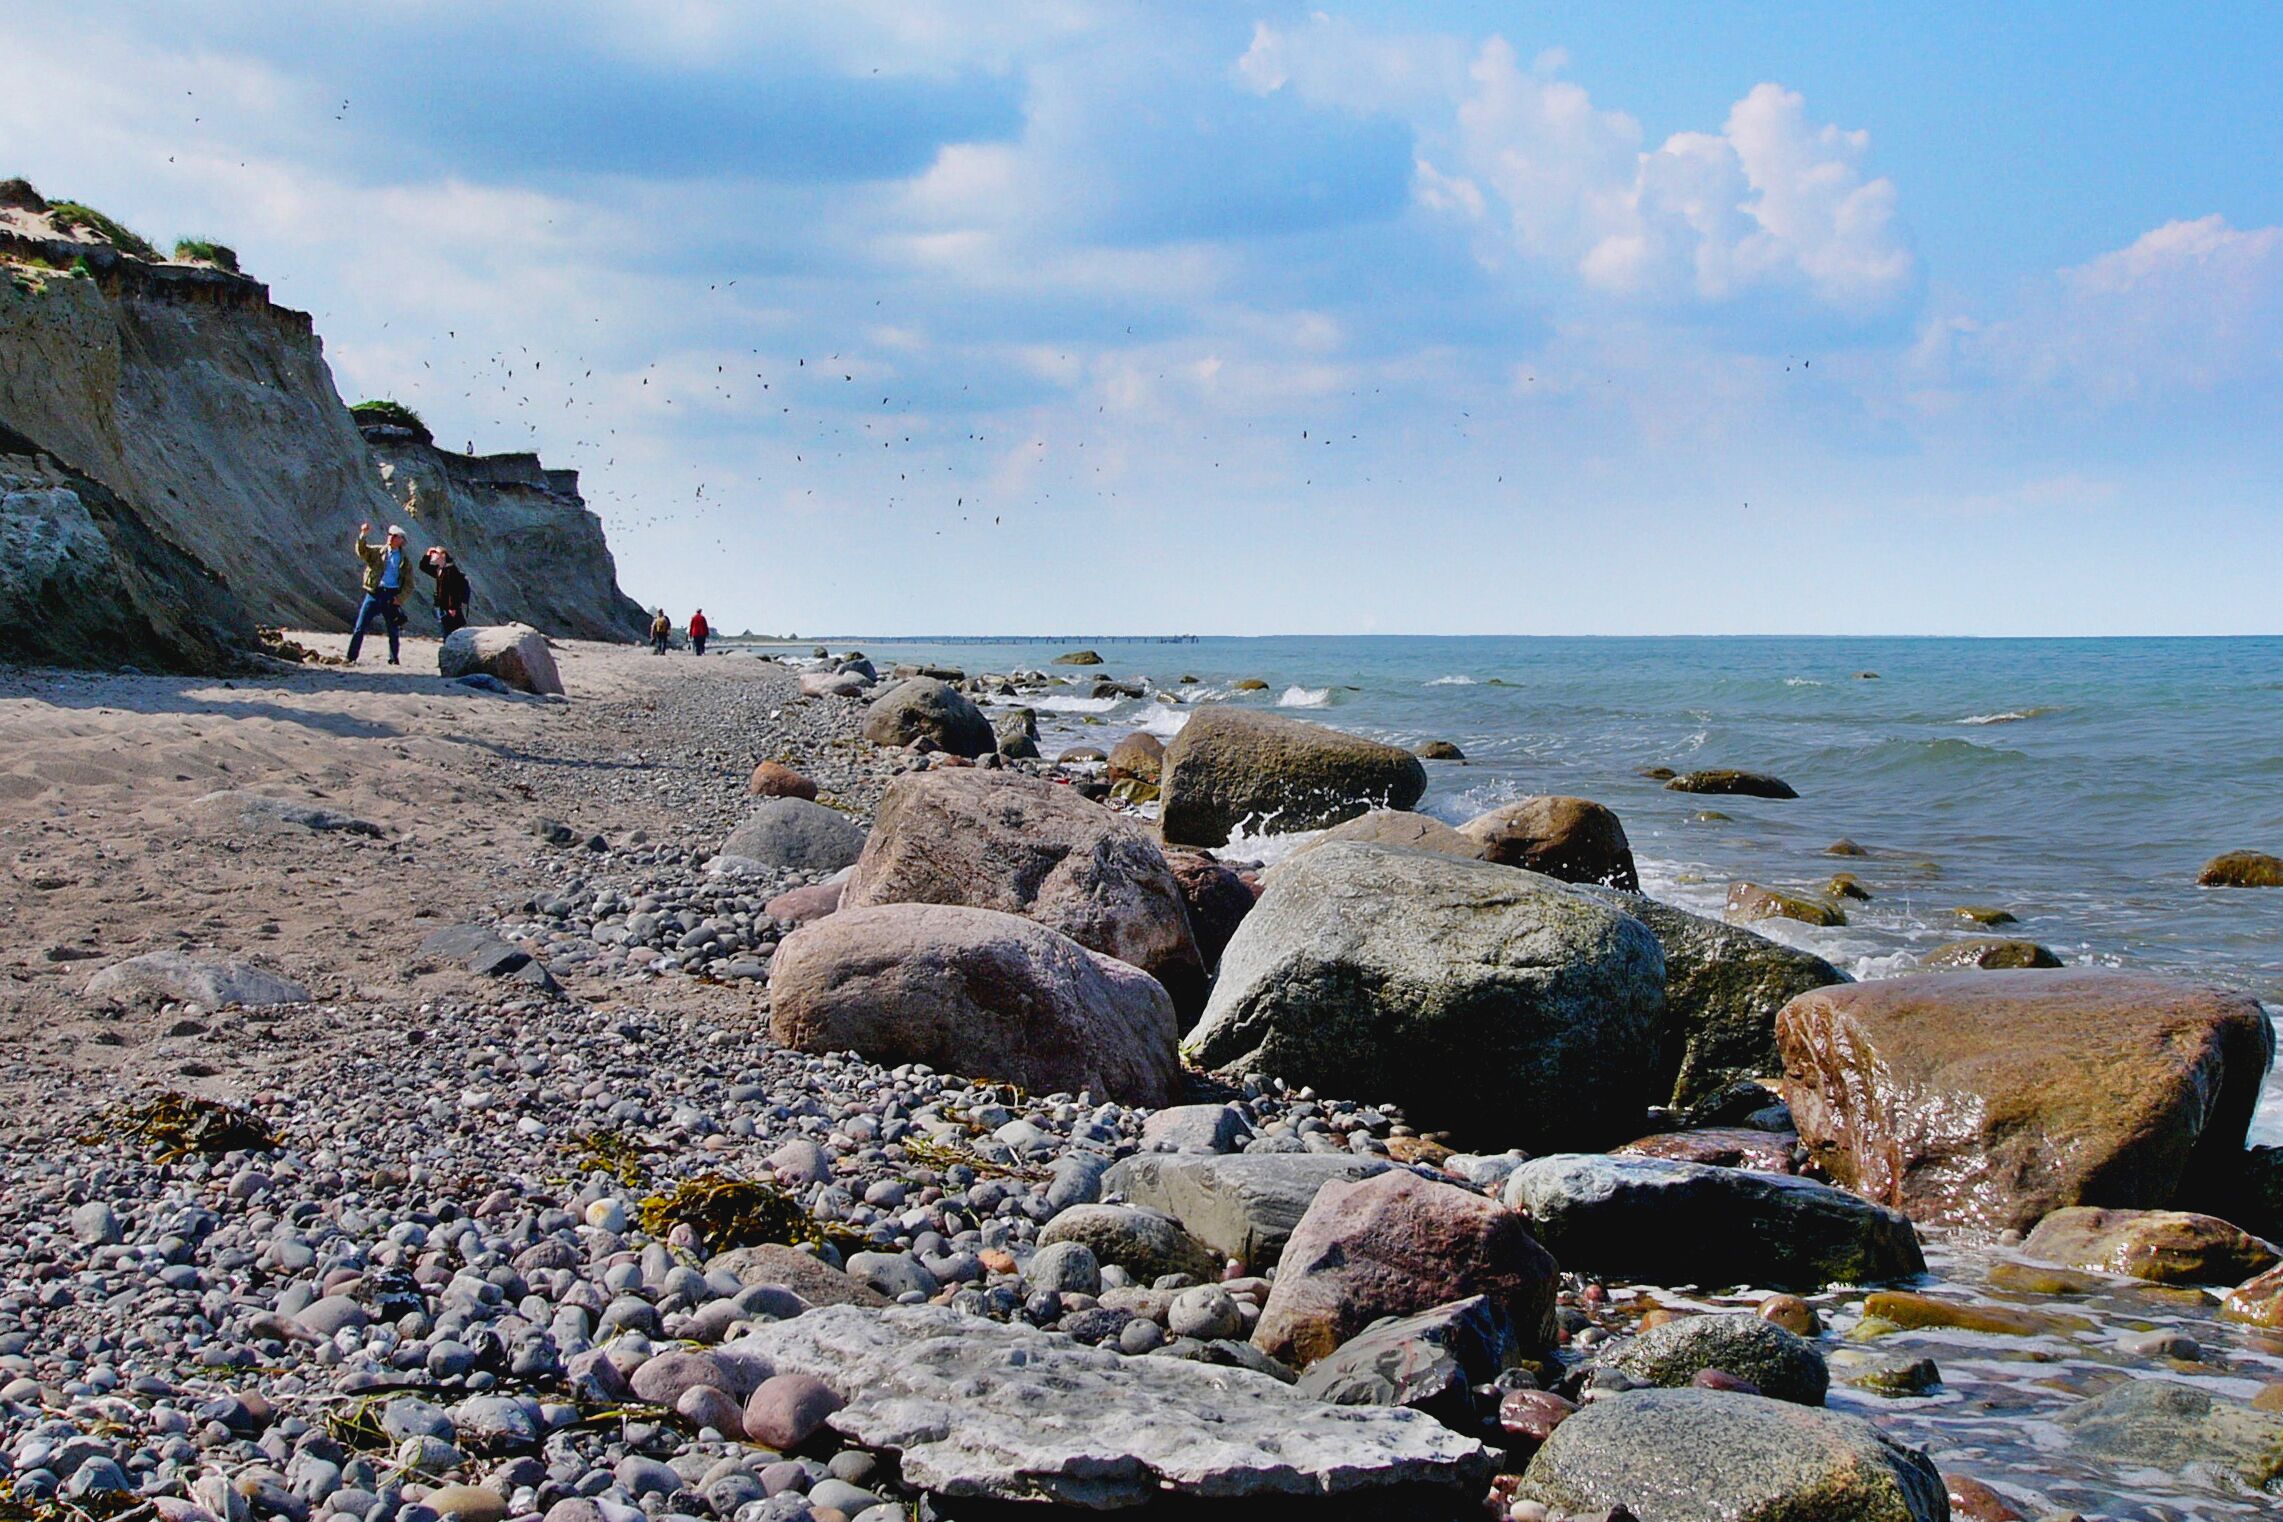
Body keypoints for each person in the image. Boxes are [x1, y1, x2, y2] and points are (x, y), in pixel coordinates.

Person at [347, 521, 415, 664]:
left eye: (395, 536)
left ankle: (394, 659)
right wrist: (363, 535)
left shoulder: (405, 561)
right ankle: (351, 657)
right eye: (390, 534)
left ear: (401, 540)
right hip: (374, 593)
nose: (390, 537)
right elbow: (362, 551)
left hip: (391, 595)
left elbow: (409, 583)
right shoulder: (378, 552)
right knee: (360, 626)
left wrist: (400, 599)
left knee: (393, 630)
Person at [420, 546, 472, 639]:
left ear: (443, 556)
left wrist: (453, 607)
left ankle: (451, 649)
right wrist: (427, 555)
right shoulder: (439, 569)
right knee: (446, 629)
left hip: (450, 608)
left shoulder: (451, 570)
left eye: (436, 553)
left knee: (451, 631)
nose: (433, 555)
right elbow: (423, 567)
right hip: (441, 606)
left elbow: (454, 590)